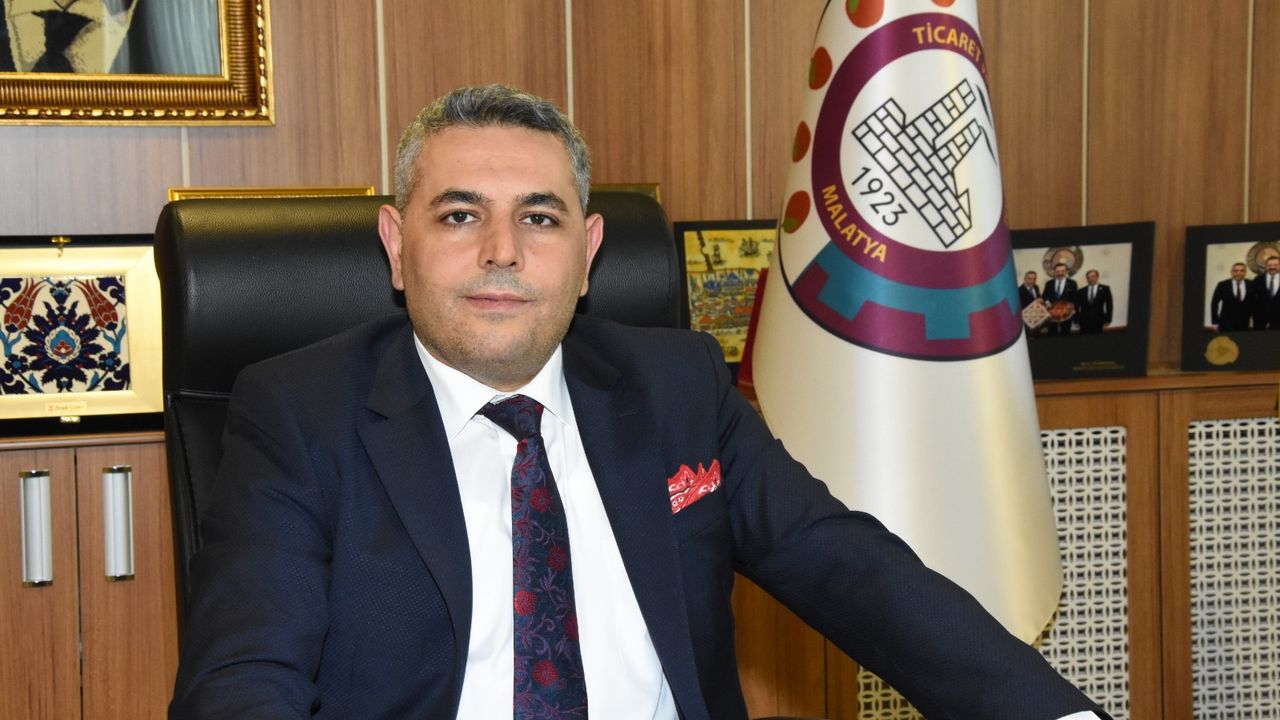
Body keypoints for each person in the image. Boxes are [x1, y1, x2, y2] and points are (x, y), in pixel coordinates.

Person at [168, 85, 1110, 720]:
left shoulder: (674, 387)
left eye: (539, 217)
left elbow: (849, 566)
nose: (502, 251)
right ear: (395, 244)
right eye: (459, 215)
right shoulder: (299, 415)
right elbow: (245, 677)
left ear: (588, 254)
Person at [1209, 262, 1253, 332]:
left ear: (1245, 272)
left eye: (1242, 271)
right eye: (1235, 271)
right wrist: (1215, 322)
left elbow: (1255, 303)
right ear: (1231, 272)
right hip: (1225, 324)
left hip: (1244, 324)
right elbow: (1214, 303)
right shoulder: (1223, 285)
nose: (1238, 273)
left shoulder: (1251, 284)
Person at [1041, 263, 1077, 336]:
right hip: (1052, 314)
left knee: (1065, 334)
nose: (1060, 273)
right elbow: (1044, 296)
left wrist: (1072, 309)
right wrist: (1047, 302)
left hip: (1066, 314)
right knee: (1052, 334)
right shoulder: (1049, 283)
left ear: (1066, 271)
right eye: (1057, 271)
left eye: (1062, 271)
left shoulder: (1072, 283)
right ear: (1054, 272)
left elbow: (1075, 298)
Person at [1074, 269, 1113, 334]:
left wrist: (1108, 319)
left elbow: (1109, 305)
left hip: (1099, 320)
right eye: (1088, 277)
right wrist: (1076, 319)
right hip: (1083, 320)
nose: (1091, 279)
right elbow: (1076, 306)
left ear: (1097, 277)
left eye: (1093, 276)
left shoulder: (1105, 289)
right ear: (1087, 279)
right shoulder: (1081, 291)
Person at [1252, 255, 1280, 330]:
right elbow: (1253, 300)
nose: (1272, 267)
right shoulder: (1258, 280)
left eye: (1276, 265)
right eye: (1269, 265)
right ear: (1266, 266)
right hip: (1261, 321)